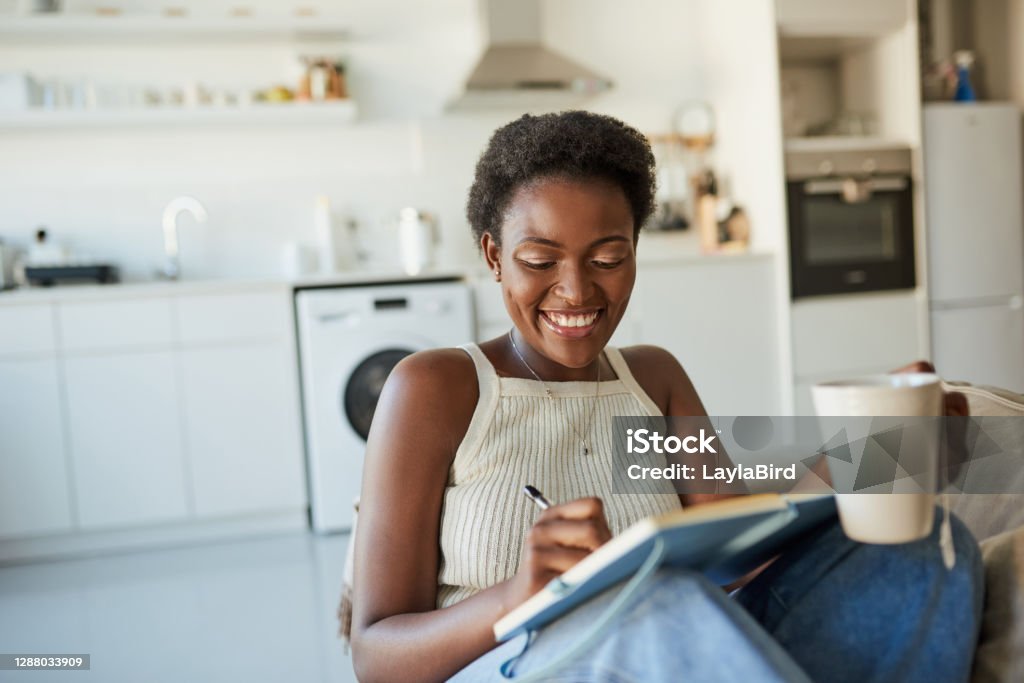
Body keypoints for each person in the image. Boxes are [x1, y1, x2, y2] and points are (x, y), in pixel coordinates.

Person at [349, 111, 983, 682]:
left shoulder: (652, 379)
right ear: (494, 256)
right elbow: (375, 656)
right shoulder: (439, 388)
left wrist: (887, 447)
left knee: (925, 545)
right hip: (526, 664)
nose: (575, 291)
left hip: (672, 646)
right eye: (540, 260)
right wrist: (520, 593)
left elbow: (740, 549)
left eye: (607, 257)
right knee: (659, 600)